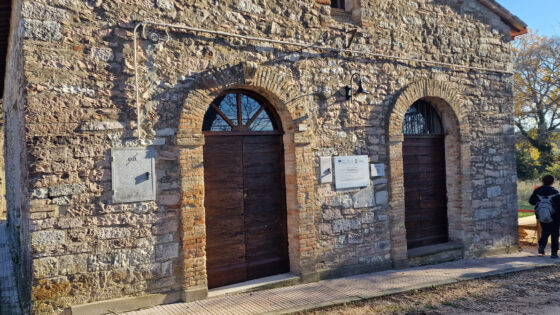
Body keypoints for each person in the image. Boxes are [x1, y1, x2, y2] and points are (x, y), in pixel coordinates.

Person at [529, 175, 560, 258]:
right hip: (554, 217)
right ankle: (554, 253)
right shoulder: (555, 192)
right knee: (555, 234)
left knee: (545, 231)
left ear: (542, 181)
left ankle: (541, 247)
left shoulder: (537, 190)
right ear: (553, 182)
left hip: (541, 215)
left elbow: (531, 202)